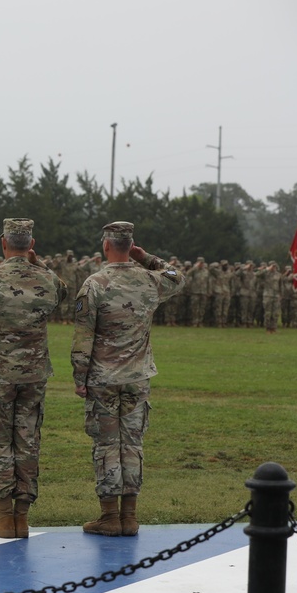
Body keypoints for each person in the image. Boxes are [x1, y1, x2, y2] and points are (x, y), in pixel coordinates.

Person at [71, 221, 185, 537]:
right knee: (132, 443)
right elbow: (178, 276)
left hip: (103, 378)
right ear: (129, 246)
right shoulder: (150, 280)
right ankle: (130, 517)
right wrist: (147, 257)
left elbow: (83, 335)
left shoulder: (95, 284)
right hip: (137, 377)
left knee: (107, 444)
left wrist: (80, 375)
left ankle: (109, 516)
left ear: (106, 246)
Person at [0, 219, 67, 538]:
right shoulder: (44, 279)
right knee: (28, 440)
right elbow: (61, 293)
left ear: (3, 242)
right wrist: (41, 264)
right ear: (31, 244)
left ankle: (4, 516)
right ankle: (22, 516)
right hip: (34, 373)